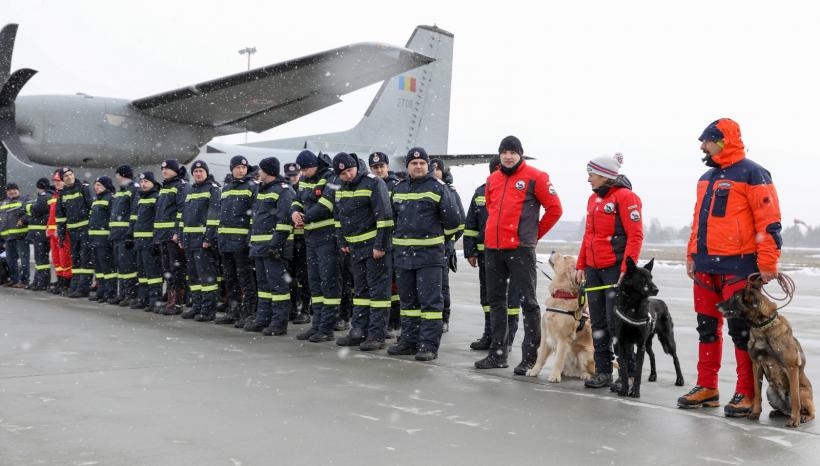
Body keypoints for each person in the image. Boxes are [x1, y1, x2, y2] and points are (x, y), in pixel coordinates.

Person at [677, 118, 782, 417]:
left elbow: (769, 221)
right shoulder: (705, 178)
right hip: (705, 266)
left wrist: (768, 262)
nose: (702, 146)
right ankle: (707, 387)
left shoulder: (753, 173)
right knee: (706, 328)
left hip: (739, 267)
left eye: (707, 140)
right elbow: (698, 221)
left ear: (723, 141)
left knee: (740, 331)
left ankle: (746, 393)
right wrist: (692, 254)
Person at [475, 136, 563, 374]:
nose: (508, 156)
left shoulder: (537, 177)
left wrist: (533, 236)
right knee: (496, 302)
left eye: (513, 152)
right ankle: (498, 354)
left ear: (520, 154)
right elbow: (492, 209)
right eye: (504, 152)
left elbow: (555, 209)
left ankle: (530, 358)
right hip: (494, 249)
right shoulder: (493, 179)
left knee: (529, 304)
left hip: (520, 249)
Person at [573, 153, 644, 389]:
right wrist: (581, 264)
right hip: (594, 270)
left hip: (615, 271)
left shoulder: (626, 197)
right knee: (599, 323)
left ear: (604, 175)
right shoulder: (593, 199)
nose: (588, 179)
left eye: (591, 174)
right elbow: (589, 236)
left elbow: (635, 236)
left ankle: (627, 374)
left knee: (616, 325)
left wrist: (627, 269)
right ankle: (603, 372)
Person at [387, 147, 463, 361]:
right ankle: (409, 342)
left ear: (428, 165)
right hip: (404, 257)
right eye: (414, 163)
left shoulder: (438, 188)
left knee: (430, 304)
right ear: (407, 166)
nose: (418, 166)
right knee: (408, 303)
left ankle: (428, 346)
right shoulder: (399, 189)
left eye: (422, 163)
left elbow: (454, 223)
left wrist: (437, 242)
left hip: (429, 258)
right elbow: (392, 220)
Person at [331, 153, 394, 349]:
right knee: (360, 292)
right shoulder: (340, 187)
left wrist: (380, 245)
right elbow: (338, 217)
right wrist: (342, 240)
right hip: (355, 249)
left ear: (356, 167)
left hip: (374, 248)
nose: (348, 175)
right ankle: (358, 332)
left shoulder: (373, 183)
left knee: (378, 293)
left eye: (350, 170)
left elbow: (385, 216)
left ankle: (376, 335)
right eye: (343, 174)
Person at [464, 157, 524, 351]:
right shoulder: (480, 192)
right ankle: (490, 335)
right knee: (489, 298)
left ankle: (506, 340)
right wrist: (470, 251)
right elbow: (470, 225)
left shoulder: (518, 190)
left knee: (511, 300)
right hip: (486, 256)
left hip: (513, 255)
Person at [291, 150, 342, 341]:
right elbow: (297, 199)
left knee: (328, 282)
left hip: (327, 237)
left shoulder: (330, 177)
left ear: (315, 165)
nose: (303, 173)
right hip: (310, 238)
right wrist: (294, 212)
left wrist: (305, 217)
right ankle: (317, 325)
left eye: (306, 169)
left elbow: (326, 205)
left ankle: (327, 328)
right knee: (314, 282)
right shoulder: (305, 179)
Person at [246, 157, 294, 335]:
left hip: (274, 248)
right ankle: (263, 319)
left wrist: (276, 245)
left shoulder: (283, 190)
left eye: (261, 169)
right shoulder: (262, 189)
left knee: (278, 286)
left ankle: (279, 323)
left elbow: (285, 220)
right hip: (259, 247)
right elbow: (256, 219)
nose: (258, 172)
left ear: (268, 171)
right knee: (264, 286)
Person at [215, 155, 258, 327]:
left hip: (241, 243)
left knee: (245, 279)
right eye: (238, 167)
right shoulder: (226, 188)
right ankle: (233, 310)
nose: (241, 170)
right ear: (231, 169)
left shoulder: (252, 187)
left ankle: (248, 312)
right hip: (225, 242)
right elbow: (221, 215)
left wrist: (250, 239)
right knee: (230, 278)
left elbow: (254, 217)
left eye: (244, 168)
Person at [180, 160, 222, 321]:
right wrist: (182, 236)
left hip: (202, 242)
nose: (198, 174)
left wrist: (208, 238)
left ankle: (208, 310)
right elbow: (184, 216)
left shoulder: (212, 189)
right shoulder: (191, 190)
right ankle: (196, 306)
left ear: (206, 172)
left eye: (201, 171)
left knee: (206, 277)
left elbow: (214, 216)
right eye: (195, 171)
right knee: (194, 277)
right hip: (189, 241)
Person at [430, 158, 465, 333]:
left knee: (442, 286)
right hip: (425, 248)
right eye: (433, 168)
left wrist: (446, 240)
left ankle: (444, 318)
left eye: (438, 169)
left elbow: (460, 223)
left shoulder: (450, 192)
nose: (435, 171)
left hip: (442, 248)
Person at [368, 152, 401, 337]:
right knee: (381, 285)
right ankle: (384, 322)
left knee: (394, 285)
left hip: (392, 241)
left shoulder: (395, 186)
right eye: (375, 167)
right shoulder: (370, 185)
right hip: (377, 241)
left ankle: (394, 321)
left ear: (387, 166)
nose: (379, 170)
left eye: (381, 166)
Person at [55, 167, 95, 298]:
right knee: (76, 259)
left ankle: (83, 288)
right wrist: (61, 235)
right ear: (63, 179)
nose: (69, 177)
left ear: (74, 175)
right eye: (66, 176)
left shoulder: (83, 188)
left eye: (70, 174)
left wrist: (91, 228)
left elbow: (91, 207)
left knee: (85, 259)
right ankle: (75, 286)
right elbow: (60, 217)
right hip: (72, 232)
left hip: (85, 230)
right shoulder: (62, 194)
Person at [154, 159, 188, 315]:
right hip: (163, 236)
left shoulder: (180, 186)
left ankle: (178, 303)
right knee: (167, 269)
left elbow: (182, 211)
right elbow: (160, 214)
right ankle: (170, 299)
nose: (164, 171)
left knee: (176, 269)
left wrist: (177, 232)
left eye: (167, 168)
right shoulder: (165, 187)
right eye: (162, 169)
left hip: (172, 236)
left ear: (175, 170)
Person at [130, 172, 162, 312]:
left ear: (153, 183)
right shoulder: (141, 198)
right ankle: (144, 299)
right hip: (139, 242)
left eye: (146, 182)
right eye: (141, 182)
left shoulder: (156, 197)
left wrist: (155, 241)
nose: (143, 184)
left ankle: (154, 301)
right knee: (142, 273)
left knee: (152, 273)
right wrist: (131, 237)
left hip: (149, 242)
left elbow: (158, 220)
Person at [283, 161, 311, 324]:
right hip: (290, 240)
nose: (292, 178)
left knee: (304, 276)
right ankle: (293, 307)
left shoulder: (304, 189)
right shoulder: (285, 190)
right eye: (290, 176)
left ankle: (305, 309)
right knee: (291, 276)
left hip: (303, 239)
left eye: (295, 175)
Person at [109, 165, 140, 306]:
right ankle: (122, 293)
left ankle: (131, 294)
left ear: (121, 175)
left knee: (128, 267)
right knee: (120, 266)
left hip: (124, 234)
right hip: (117, 235)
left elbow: (134, 213)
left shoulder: (133, 190)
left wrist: (130, 234)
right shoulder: (122, 191)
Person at [88, 176, 117, 302]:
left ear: (106, 186)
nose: (96, 187)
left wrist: (110, 237)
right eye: (95, 184)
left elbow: (112, 219)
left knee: (107, 268)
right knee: (99, 268)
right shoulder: (96, 200)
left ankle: (110, 292)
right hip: (95, 239)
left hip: (104, 240)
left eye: (99, 185)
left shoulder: (110, 199)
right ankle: (101, 291)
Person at [25, 178, 54, 291]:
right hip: (42, 233)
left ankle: (41, 282)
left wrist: (28, 206)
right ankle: (39, 281)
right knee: (41, 259)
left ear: (39, 187)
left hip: (40, 234)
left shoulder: (44, 197)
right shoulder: (49, 196)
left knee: (41, 259)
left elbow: (35, 210)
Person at [47, 170, 72, 294]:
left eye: (59, 181)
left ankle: (66, 281)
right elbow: (51, 214)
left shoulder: (66, 194)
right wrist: (48, 227)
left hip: (62, 232)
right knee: (56, 258)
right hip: (53, 233)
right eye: (55, 181)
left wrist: (60, 228)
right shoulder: (55, 195)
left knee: (65, 258)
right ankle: (60, 279)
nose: (56, 183)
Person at [0, 182, 30, 288]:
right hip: (8, 237)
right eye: (9, 190)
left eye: (14, 189)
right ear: (6, 192)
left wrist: (23, 219)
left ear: (18, 190)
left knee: (24, 259)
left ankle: (24, 281)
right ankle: (14, 280)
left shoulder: (25, 200)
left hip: (21, 236)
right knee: (10, 260)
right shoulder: (3, 203)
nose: (12, 192)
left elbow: (31, 213)